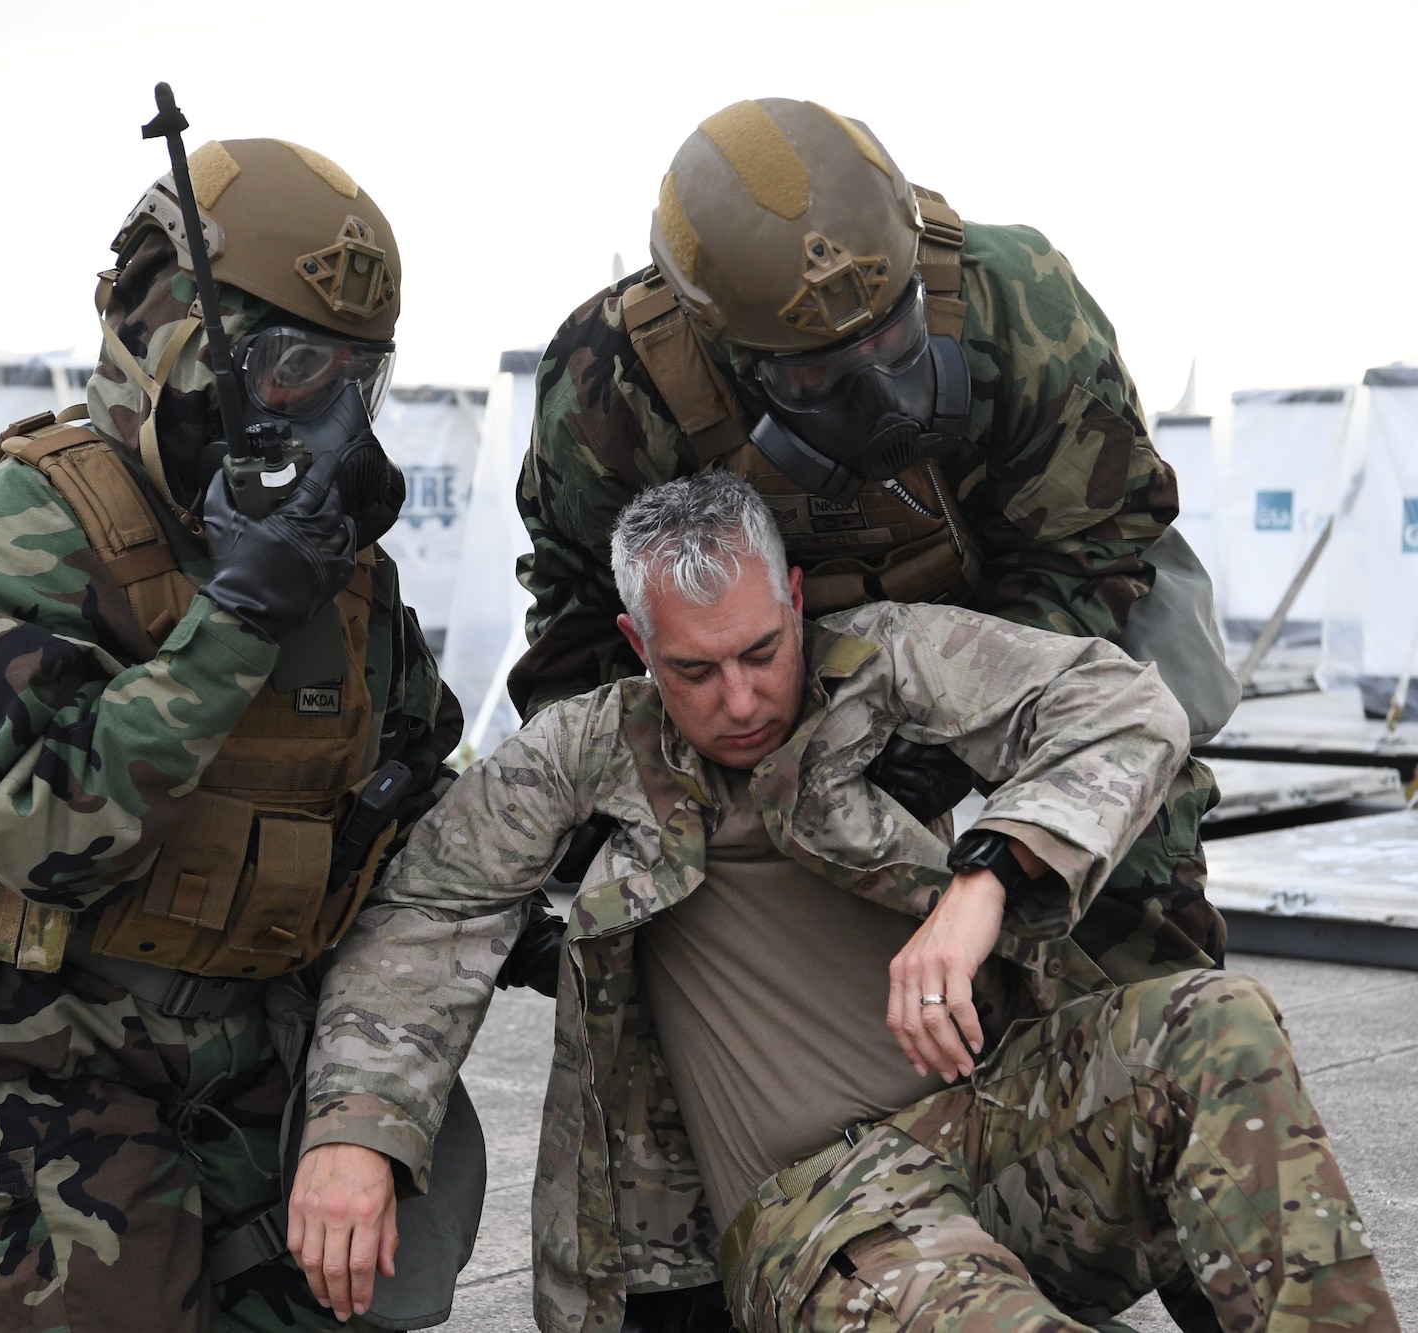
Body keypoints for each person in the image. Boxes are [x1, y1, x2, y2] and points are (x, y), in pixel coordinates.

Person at [289, 473, 1397, 1332]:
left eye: (761, 652)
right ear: (638, 649)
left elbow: (1124, 706)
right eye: (693, 670)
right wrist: (356, 1132)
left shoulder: (886, 667)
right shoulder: (584, 752)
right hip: (819, 1214)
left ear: (794, 601)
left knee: (1218, 1021)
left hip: (994, 1131)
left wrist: (986, 879)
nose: (738, 699)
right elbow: (427, 912)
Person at [0, 137, 471, 1333]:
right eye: (288, 368)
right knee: (115, 1302)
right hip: (46, 1047)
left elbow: (414, 791)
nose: (318, 419)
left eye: (348, 381)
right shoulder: (32, 529)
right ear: (173, 343)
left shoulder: (336, 569)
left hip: (248, 1050)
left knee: (356, 1282)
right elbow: (43, 825)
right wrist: (237, 624)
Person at [510, 97, 1238, 988]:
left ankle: (1164, 1044)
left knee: (1125, 822)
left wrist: (952, 730)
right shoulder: (611, 386)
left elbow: (1097, 539)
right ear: (728, 348)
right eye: (819, 373)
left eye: (894, 337)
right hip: (763, 657)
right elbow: (581, 604)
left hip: (1018, 612)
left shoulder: (1021, 302)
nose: (886, 400)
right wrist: (620, 799)